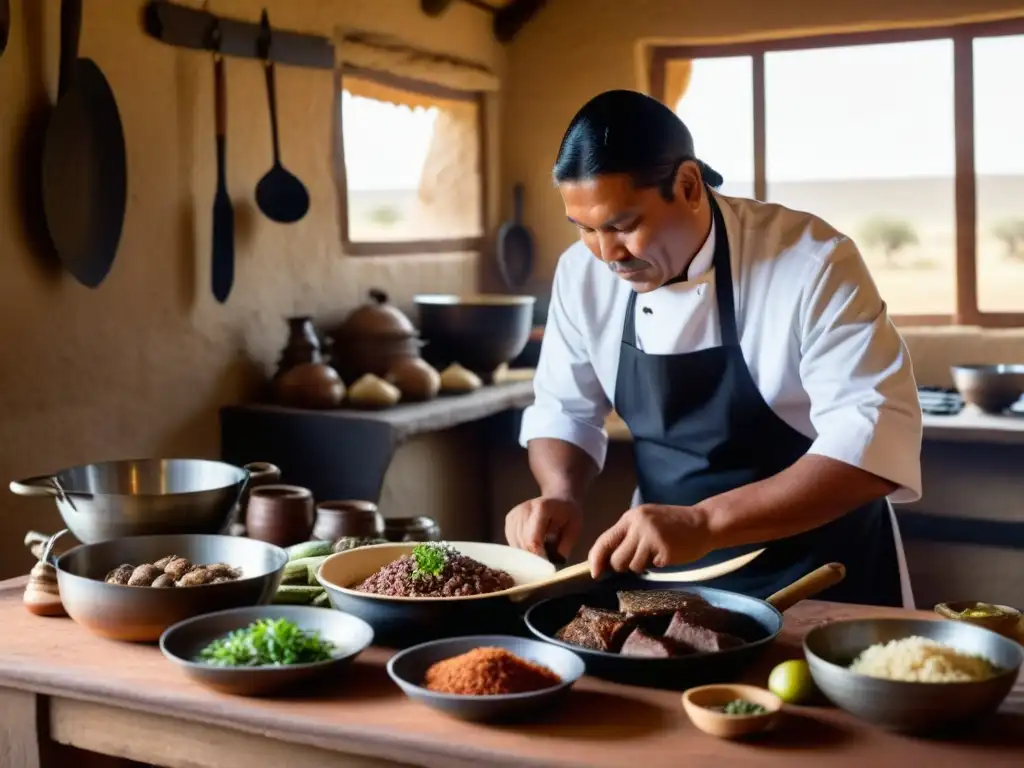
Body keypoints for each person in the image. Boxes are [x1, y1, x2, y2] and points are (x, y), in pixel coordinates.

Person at [505, 89, 922, 607]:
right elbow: (564, 408)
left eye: (623, 225)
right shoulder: (581, 272)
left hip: (821, 572)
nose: (607, 254)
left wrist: (704, 521)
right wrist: (560, 493)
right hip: (668, 578)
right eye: (586, 229)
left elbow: (874, 436)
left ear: (687, 185)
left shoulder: (811, 262)